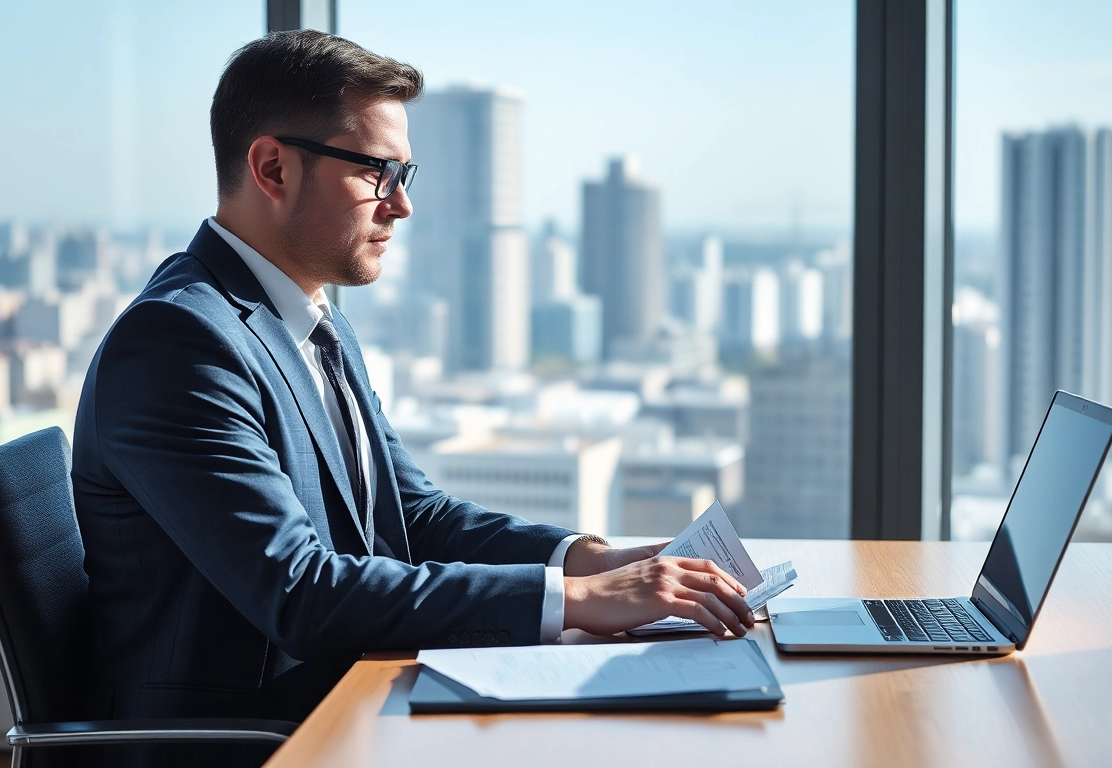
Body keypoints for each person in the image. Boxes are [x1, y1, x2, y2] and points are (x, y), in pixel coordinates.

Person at [71, 30, 753, 761]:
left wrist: (591, 561)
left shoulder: (309, 318)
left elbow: (415, 516)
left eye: (407, 174)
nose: (401, 206)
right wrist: (580, 603)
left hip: (348, 697)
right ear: (272, 167)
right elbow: (300, 594)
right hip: (251, 738)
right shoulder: (179, 343)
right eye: (378, 173)